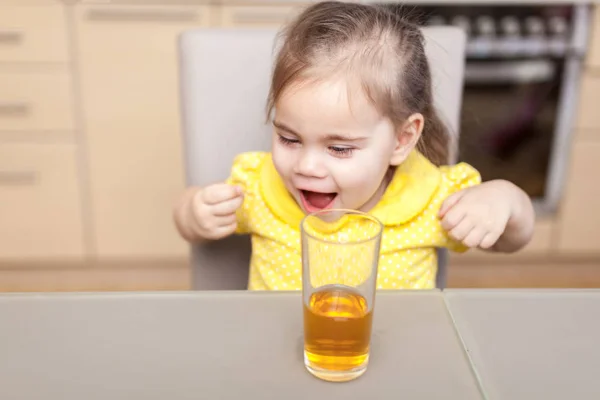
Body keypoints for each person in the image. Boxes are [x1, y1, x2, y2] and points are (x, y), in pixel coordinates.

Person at [173, 1, 535, 290]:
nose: (307, 167)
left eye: (340, 148)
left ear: (402, 139)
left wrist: (505, 199)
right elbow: (188, 220)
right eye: (289, 138)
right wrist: (193, 212)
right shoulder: (260, 187)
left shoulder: (433, 199)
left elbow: (510, 242)